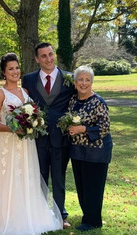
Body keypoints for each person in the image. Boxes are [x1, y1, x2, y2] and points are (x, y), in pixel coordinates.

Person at [0, 52, 63, 235]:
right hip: (6, 146)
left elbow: (33, 113)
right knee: (7, 178)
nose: (15, 71)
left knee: (26, 176)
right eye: (10, 69)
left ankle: (29, 214)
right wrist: (13, 129)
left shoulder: (25, 92)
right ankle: (6, 218)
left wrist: (35, 122)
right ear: (3, 72)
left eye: (17, 67)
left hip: (26, 145)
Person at [22, 42, 75, 228]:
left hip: (61, 138)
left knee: (59, 178)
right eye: (43, 56)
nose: (48, 59)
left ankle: (61, 215)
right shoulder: (28, 80)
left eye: (50, 54)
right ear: (37, 59)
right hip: (38, 138)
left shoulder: (70, 78)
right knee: (40, 177)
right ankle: (41, 215)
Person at [68, 65, 113, 231]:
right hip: (78, 151)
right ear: (75, 82)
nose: (84, 83)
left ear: (92, 82)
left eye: (87, 80)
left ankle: (94, 221)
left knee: (93, 187)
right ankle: (87, 218)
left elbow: (105, 127)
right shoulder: (73, 100)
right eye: (81, 79)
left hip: (97, 152)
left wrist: (83, 129)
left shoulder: (98, 102)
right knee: (82, 187)